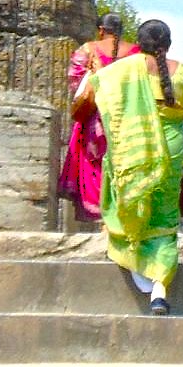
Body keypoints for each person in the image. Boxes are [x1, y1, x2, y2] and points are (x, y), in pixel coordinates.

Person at [75, 18, 183, 315]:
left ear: (140, 42)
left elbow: (94, 93)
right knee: (165, 217)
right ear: (169, 43)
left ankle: (138, 264)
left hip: (133, 150)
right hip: (171, 150)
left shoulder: (122, 71)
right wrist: (181, 111)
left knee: (133, 206)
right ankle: (160, 288)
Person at [57, 13, 139, 222]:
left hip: (95, 119)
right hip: (124, 118)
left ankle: (97, 213)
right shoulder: (135, 53)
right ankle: (118, 214)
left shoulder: (88, 50)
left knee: (94, 165)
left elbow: (76, 81)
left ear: (101, 29)